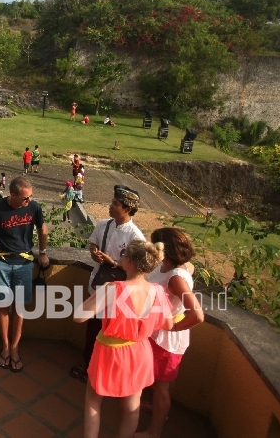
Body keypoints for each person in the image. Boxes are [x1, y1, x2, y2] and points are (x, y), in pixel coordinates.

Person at [75, 240, 174, 438]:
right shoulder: (158, 291)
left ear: (129, 262)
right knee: (132, 406)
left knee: (93, 401)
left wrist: (94, 297)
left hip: (109, 351)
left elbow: (79, 316)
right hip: (139, 351)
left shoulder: (113, 288)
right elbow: (168, 325)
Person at [0, 177, 49, 373]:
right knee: (3, 306)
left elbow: (42, 229)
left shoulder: (34, 208)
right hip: (2, 262)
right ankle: (5, 346)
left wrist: (43, 252)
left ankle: (15, 348)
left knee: (19, 308)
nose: (28, 201)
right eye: (25, 198)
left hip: (24, 263)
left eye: (30, 197)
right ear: (12, 195)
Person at [70, 185, 145, 384]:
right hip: (98, 286)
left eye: (115, 204)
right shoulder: (103, 225)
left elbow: (138, 270)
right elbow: (93, 243)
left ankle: (102, 372)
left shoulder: (135, 237)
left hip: (118, 293)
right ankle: (88, 367)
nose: (110, 206)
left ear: (127, 209)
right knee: (93, 331)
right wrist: (94, 251)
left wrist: (113, 263)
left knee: (110, 335)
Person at [135, 228, 204, 438]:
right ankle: (159, 413)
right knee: (163, 383)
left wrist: (174, 326)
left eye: (156, 244)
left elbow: (198, 315)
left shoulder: (176, 277)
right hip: (159, 334)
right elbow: (189, 267)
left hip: (166, 340)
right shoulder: (172, 267)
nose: (152, 247)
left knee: (162, 387)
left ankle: (154, 432)